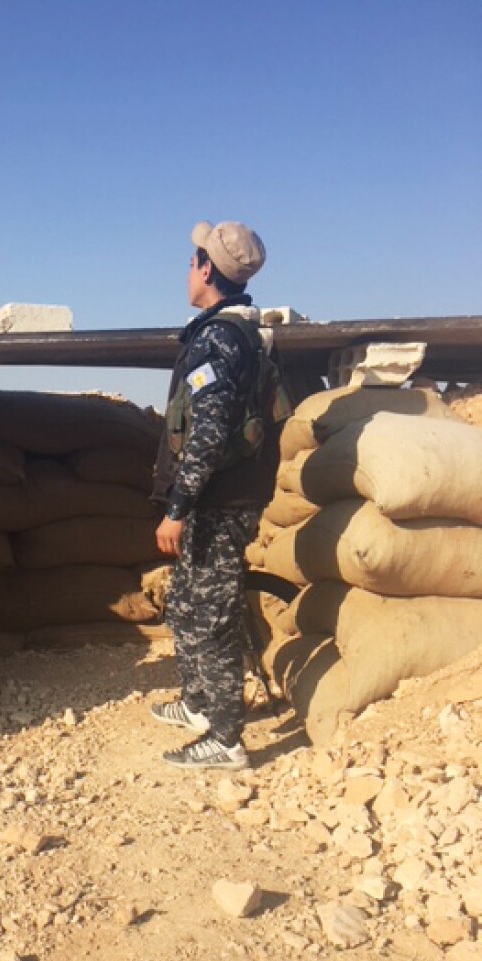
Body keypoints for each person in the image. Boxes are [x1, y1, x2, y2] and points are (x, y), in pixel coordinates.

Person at [151, 219, 278, 770]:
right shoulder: (226, 332)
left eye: (192, 261)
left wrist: (177, 509)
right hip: (216, 498)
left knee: (215, 616)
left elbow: (207, 432)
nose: (187, 271)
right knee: (184, 604)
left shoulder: (220, 338)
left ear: (207, 269)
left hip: (218, 502)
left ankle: (226, 739)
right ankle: (201, 704)